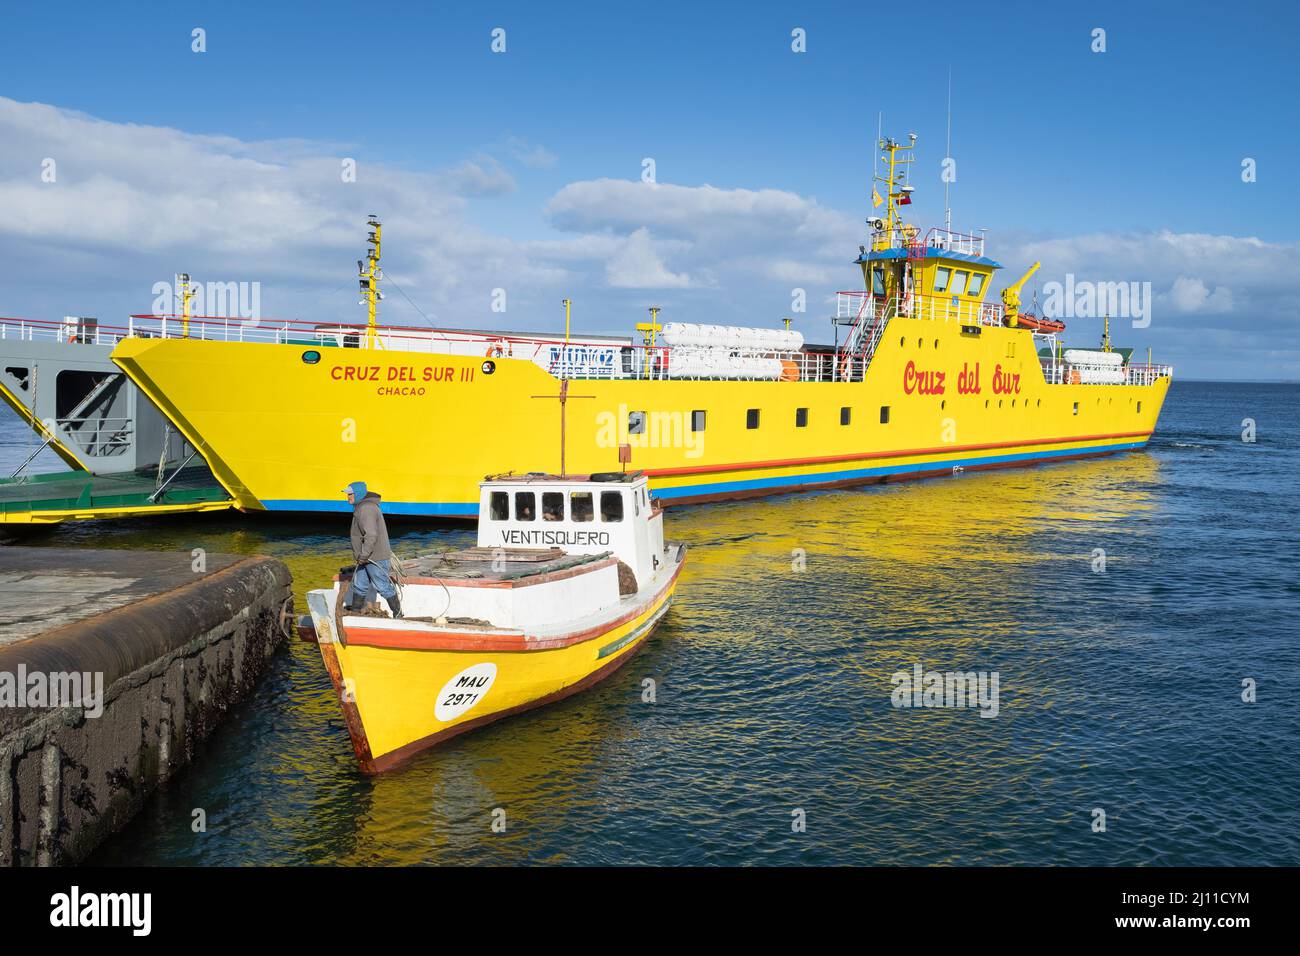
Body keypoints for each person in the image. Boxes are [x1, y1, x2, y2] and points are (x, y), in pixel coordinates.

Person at [343, 481, 401, 618]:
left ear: (358, 494)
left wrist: (363, 555)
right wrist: (362, 557)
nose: (347, 497)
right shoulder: (362, 507)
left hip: (374, 558)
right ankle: (355, 612)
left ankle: (398, 614)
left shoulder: (366, 509)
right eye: (347, 494)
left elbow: (371, 535)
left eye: (350, 494)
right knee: (359, 584)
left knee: (383, 586)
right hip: (365, 558)